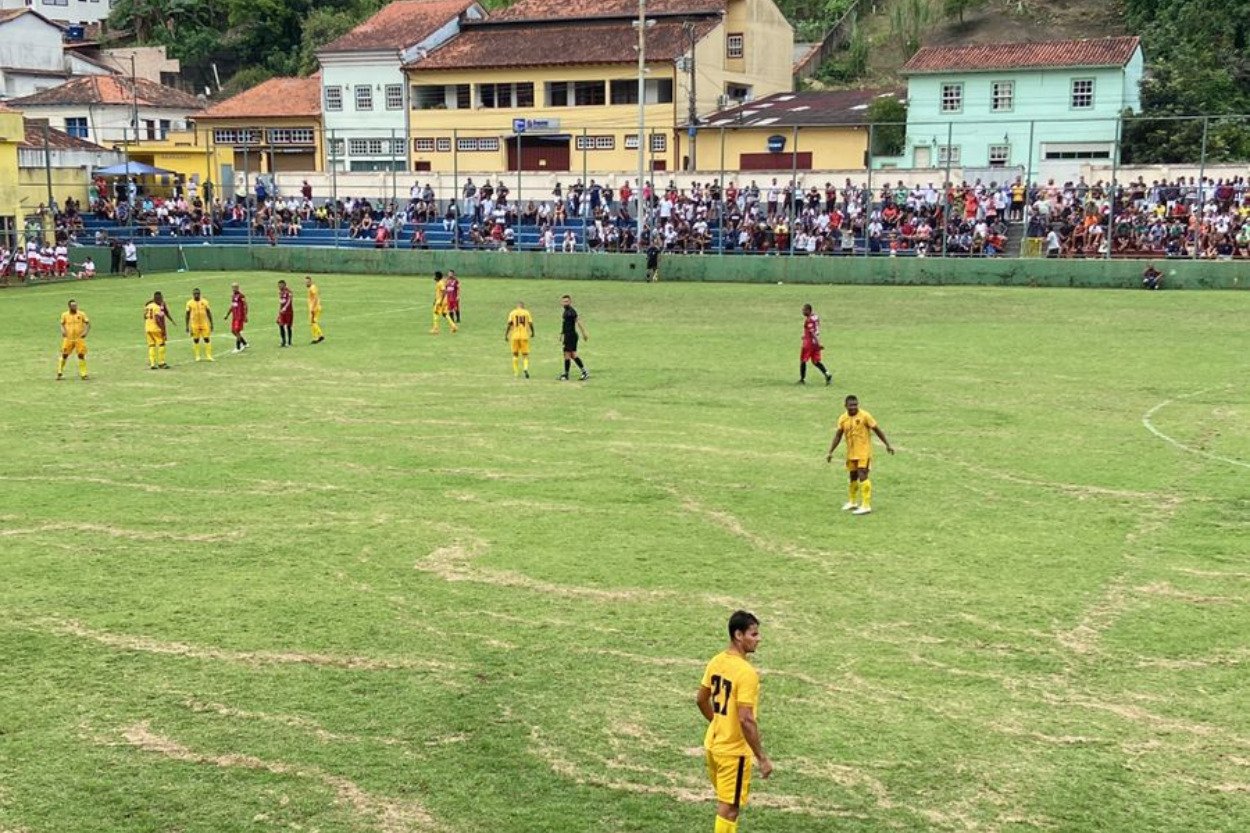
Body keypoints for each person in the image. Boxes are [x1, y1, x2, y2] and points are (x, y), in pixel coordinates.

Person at [696, 610, 772, 833]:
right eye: (754, 634)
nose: (759, 639)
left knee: (727, 805)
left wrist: (717, 722)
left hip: (713, 746)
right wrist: (762, 758)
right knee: (728, 809)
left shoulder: (717, 661)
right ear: (739, 635)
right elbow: (746, 719)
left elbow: (701, 699)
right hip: (732, 752)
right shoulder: (746, 673)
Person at [825, 394, 895, 515]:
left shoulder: (865, 416)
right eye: (851, 405)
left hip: (864, 452)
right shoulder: (843, 419)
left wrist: (887, 445)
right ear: (845, 406)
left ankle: (866, 505)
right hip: (851, 453)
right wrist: (830, 451)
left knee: (862, 474)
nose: (854, 407)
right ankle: (852, 502)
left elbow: (877, 430)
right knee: (852, 476)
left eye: (855, 405)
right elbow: (838, 435)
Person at [798, 304, 833, 386]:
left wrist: (818, 343)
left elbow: (812, 332)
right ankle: (827, 374)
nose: (802, 312)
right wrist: (805, 335)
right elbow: (814, 329)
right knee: (816, 361)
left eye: (804, 310)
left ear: (808, 310)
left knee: (803, 360)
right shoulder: (815, 317)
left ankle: (802, 380)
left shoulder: (809, 320)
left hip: (809, 343)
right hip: (815, 343)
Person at [56, 299, 90, 380]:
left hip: (79, 338)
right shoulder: (64, 315)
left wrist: (85, 332)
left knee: (81, 355)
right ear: (69, 306)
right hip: (68, 338)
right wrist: (63, 331)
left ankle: (84, 374)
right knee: (64, 355)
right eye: (73, 306)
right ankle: (59, 372)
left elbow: (88, 323)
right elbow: (62, 324)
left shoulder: (81, 314)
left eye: (76, 305)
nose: (75, 307)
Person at [558, 294, 589, 381]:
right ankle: (568, 374)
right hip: (567, 335)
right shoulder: (565, 311)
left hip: (571, 336)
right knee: (570, 355)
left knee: (569, 355)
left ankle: (582, 372)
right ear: (561, 302)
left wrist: (584, 333)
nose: (565, 303)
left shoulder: (572, 312)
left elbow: (578, 322)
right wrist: (562, 334)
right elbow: (565, 324)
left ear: (570, 302)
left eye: (567, 301)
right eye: (564, 301)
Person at [505, 300, 535, 378]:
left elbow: (509, 324)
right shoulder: (526, 313)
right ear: (523, 306)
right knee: (525, 355)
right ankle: (525, 368)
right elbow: (530, 323)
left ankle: (516, 372)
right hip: (524, 336)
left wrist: (506, 334)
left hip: (515, 336)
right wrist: (533, 332)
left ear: (517, 306)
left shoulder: (512, 313)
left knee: (515, 354)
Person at [185, 287, 214, 362]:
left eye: (198, 294)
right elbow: (187, 315)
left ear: (200, 294)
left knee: (207, 339)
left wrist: (211, 324)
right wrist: (187, 326)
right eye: (195, 294)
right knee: (196, 340)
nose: (196, 295)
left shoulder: (205, 302)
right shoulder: (189, 303)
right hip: (194, 324)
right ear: (193, 294)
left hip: (204, 323)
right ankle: (197, 356)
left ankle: (209, 356)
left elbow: (209, 313)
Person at [144, 291, 171, 369]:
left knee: (151, 345)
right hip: (156, 328)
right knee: (161, 344)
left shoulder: (148, 306)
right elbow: (158, 319)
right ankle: (161, 363)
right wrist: (162, 329)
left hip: (147, 328)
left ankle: (152, 364)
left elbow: (144, 316)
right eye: (161, 298)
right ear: (158, 299)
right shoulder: (157, 307)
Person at [228, 282, 249, 352]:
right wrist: (227, 314)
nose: (234, 289)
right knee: (233, 331)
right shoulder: (233, 296)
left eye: (235, 287)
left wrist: (246, 316)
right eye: (233, 287)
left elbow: (245, 305)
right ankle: (244, 343)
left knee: (237, 331)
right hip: (234, 316)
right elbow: (232, 306)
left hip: (239, 316)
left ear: (238, 288)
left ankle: (238, 347)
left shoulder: (241, 296)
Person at [306, 275, 324, 343]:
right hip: (316, 307)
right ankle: (320, 335)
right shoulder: (313, 287)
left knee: (313, 322)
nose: (306, 283)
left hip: (314, 308)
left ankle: (316, 338)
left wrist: (312, 308)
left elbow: (316, 298)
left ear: (311, 281)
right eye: (306, 282)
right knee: (313, 322)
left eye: (308, 282)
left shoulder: (312, 288)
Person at [276, 279, 294, 347]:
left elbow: (289, 300)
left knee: (288, 326)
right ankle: (283, 341)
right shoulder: (280, 292)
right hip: (282, 312)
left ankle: (289, 342)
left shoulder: (288, 291)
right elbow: (281, 301)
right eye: (278, 285)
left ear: (284, 285)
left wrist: (285, 307)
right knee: (280, 325)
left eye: (280, 285)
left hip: (288, 312)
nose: (279, 286)